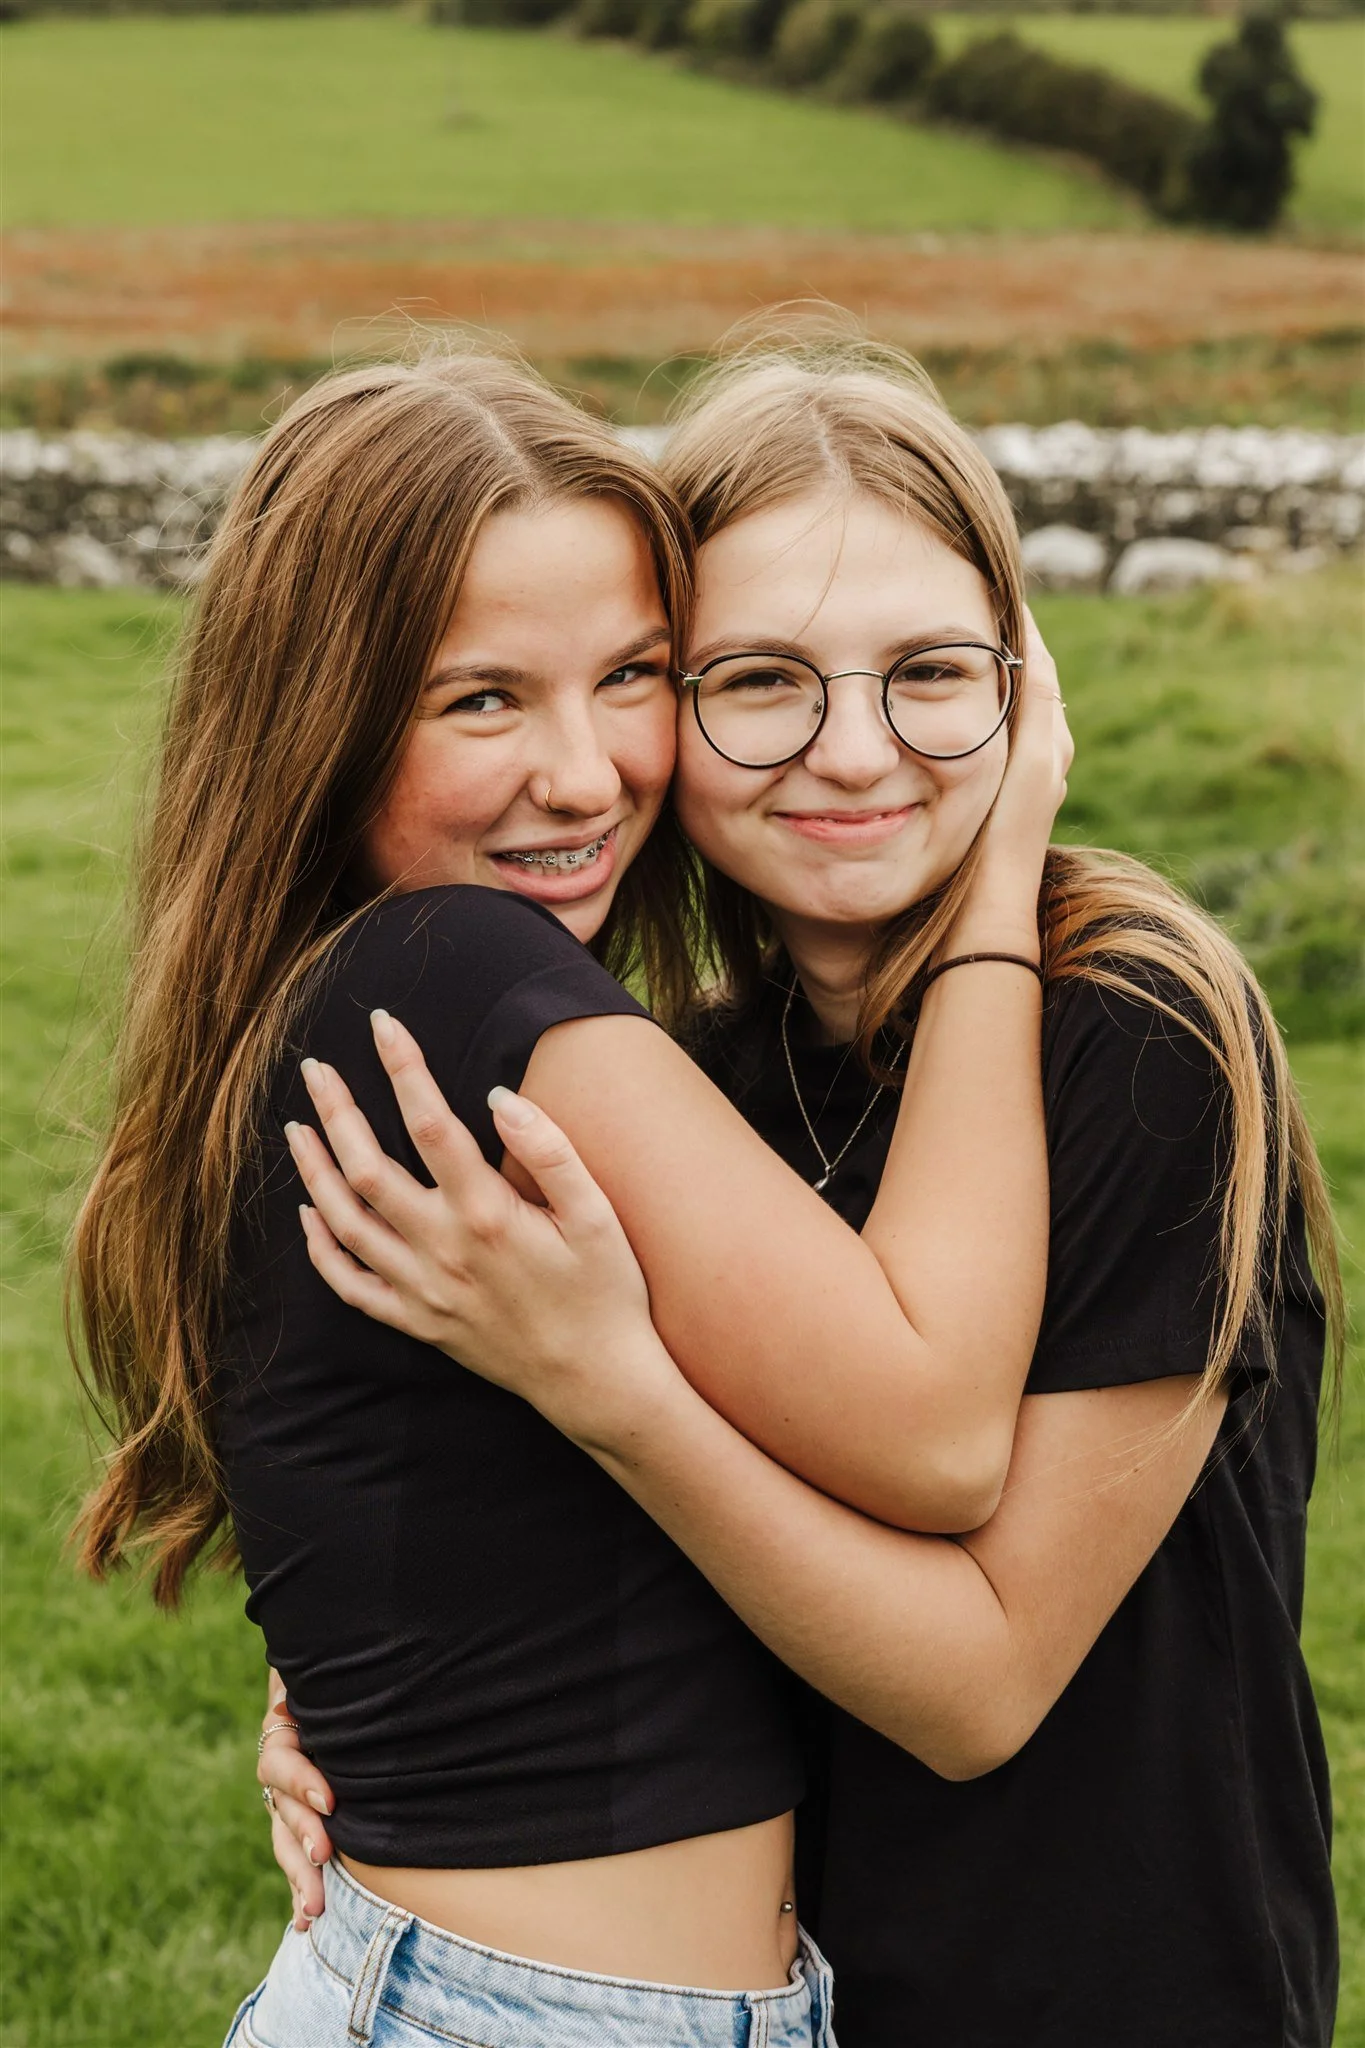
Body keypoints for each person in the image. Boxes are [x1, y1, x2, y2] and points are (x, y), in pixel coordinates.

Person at [263, 337, 1343, 2047]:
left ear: (1021, 689)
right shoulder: (687, 1078)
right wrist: (334, 1688)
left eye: (927, 671)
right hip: (804, 1991)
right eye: (760, 679)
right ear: (668, 702)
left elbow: (980, 1688)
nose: (854, 752)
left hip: (1115, 1991)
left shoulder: (1139, 1036)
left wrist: (608, 1384)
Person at [69, 340, 1071, 2048]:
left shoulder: (332, 998)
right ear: (322, 713)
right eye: (484, 698)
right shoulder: (459, 973)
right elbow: (931, 1425)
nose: (589, 771)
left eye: (633, 676)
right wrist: (1005, 867)